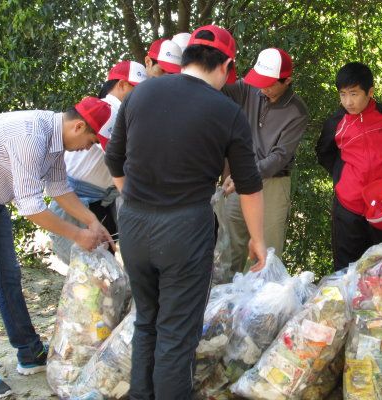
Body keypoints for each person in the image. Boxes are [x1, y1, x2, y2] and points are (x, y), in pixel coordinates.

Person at [105, 25, 267, 399]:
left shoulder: (141, 94)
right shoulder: (227, 112)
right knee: (177, 333)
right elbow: (249, 185)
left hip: (133, 224)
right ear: (227, 65)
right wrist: (257, 241)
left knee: (147, 321)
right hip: (184, 230)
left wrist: (137, 204)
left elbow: (114, 160)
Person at [0, 97, 116, 399]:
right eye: (91, 141)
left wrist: (93, 222)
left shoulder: (55, 143)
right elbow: (31, 208)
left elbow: (60, 189)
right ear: (78, 126)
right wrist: (79, 235)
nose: (89, 148)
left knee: (9, 277)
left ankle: (28, 352)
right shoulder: (30, 136)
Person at [316, 61, 382, 270]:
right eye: (343, 94)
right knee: (347, 269)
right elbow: (324, 153)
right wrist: (342, 176)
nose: (348, 101)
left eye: (354, 94)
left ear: (370, 92)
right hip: (347, 207)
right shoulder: (335, 122)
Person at [49, 61, 147, 264]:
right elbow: (120, 160)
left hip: (97, 199)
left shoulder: (110, 110)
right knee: (90, 269)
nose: (142, 97)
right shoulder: (110, 112)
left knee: (96, 266)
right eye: (137, 90)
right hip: (78, 198)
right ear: (121, 85)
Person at [222, 47, 308, 272]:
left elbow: (279, 157)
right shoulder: (249, 88)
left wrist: (244, 174)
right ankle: (224, 302)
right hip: (239, 178)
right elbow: (215, 88)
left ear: (287, 80)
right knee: (230, 247)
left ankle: (261, 306)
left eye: (269, 83)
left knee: (266, 254)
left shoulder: (297, 111)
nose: (263, 88)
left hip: (272, 182)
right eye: (260, 81)